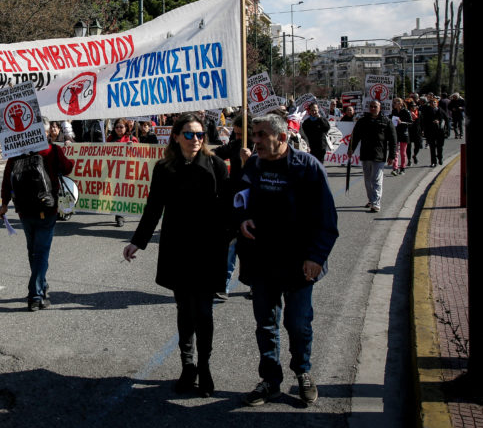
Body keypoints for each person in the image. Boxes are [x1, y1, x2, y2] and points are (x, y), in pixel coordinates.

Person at [123, 114, 231, 397]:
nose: (195, 139)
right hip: (178, 248)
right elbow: (153, 207)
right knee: (185, 310)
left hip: (208, 250)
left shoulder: (217, 166)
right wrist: (138, 241)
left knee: (204, 313)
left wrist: (229, 236)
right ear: (175, 136)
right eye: (189, 134)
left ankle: (205, 367)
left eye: (199, 134)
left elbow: (229, 208)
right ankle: (188, 365)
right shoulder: (164, 168)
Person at [236, 112, 339, 407]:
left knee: (298, 324)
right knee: (266, 324)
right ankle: (270, 381)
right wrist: (242, 219)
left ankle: (303, 372)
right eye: (253, 135)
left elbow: (327, 219)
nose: (255, 141)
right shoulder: (253, 165)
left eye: (260, 135)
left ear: (281, 137)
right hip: (262, 262)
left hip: (299, 264)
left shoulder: (307, 167)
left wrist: (316, 257)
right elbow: (239, 199)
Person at [0, 139, 74, 311]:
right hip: (47, 209)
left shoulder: (16, 152)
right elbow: (68, 168)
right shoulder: (51, 149)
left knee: (33, 250)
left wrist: (4, 204)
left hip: (24, 210)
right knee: (41, 252)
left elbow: (7, 179)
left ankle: (41, 284)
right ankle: (35, 295)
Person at [214, 114, 253, 300]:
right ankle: (223, 286)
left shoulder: (262, 147)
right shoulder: (236, 145)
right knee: (229, 245)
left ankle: (254, 283)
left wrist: (252, 159)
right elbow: (217, 153)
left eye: (240, 134)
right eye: (235, 134)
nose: (237, 137)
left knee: (250, 246)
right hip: (233, 202)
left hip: (253, 204)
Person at [347, 100, 397, 213]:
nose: (373, 108)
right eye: (371, 107)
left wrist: (392, 156)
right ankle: (371, 199)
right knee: (368, 180)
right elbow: (355, 137)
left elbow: (393, 140)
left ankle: (376, 203)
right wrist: (351, 149)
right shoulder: (363, 121)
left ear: (380, 108)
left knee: (376, 179)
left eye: (375, 106)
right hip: (365, 154)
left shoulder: (386, 121)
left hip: (379, 155)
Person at [107, 119, 137, 226]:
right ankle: (119, 215)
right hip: (114, 170)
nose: (119, 129)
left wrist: (133, 146)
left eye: (121, 127)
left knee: (123, 193)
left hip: (127, 171)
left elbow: (139, 155)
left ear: (126, 128)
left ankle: (121, 214)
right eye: (117, 127)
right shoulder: (110, 139)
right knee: (116, 193)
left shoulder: (131, 139)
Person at [420, 97, 447, 167]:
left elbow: (446, 119)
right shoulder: (427, 111)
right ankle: (433, 161)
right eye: (431, 103)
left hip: (440, 131)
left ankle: (440, 158)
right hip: (430, 131)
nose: (433, 104)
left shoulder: (441, 110)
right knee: (432, 147)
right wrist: (424, 130)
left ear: (437, 103)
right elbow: (424, 122)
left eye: (434, 102)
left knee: (440, 146)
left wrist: (439, 121)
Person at [390, 98, 412, 176]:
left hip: (403, 134)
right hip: (395, 133)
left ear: (401, 103)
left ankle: (402, 168)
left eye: (397, 102)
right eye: (394, 102)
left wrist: (401, 122)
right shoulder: (393, 112)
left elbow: (410, 122)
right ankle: (395, 168)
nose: (395, 103)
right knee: (395, 152)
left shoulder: (406, 111)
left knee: (403, 152)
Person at [407, 99, 422, 165]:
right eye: (412, 106)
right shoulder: (407, 113)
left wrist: (423, 130)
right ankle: (409, 160)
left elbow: (422, 122)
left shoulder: (419, 113)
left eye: (415, 106)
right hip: (409, 131)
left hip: (417, 131)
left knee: (418, 145)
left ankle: (415, 155)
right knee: (408, 147)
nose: (413, 107)